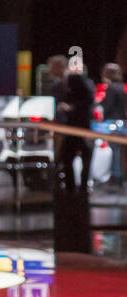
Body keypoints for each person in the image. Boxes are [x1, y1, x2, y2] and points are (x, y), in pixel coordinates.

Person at [57, 53, 96, 193]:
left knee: (72, 156)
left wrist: (71, 107)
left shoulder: (77, 80)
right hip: (81, 125)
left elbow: (87, 100)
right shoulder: (84, 81)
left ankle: (74, 187)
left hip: (77, 126)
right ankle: (79, 187)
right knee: (80, 157)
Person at [99, 62, 126, 187]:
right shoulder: (122, 87)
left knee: (114, 151)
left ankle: (116, 177)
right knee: (119, 151)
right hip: (122, 122)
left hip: (113, 123)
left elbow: (108, 107)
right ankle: (119, 176)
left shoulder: (110, 88)